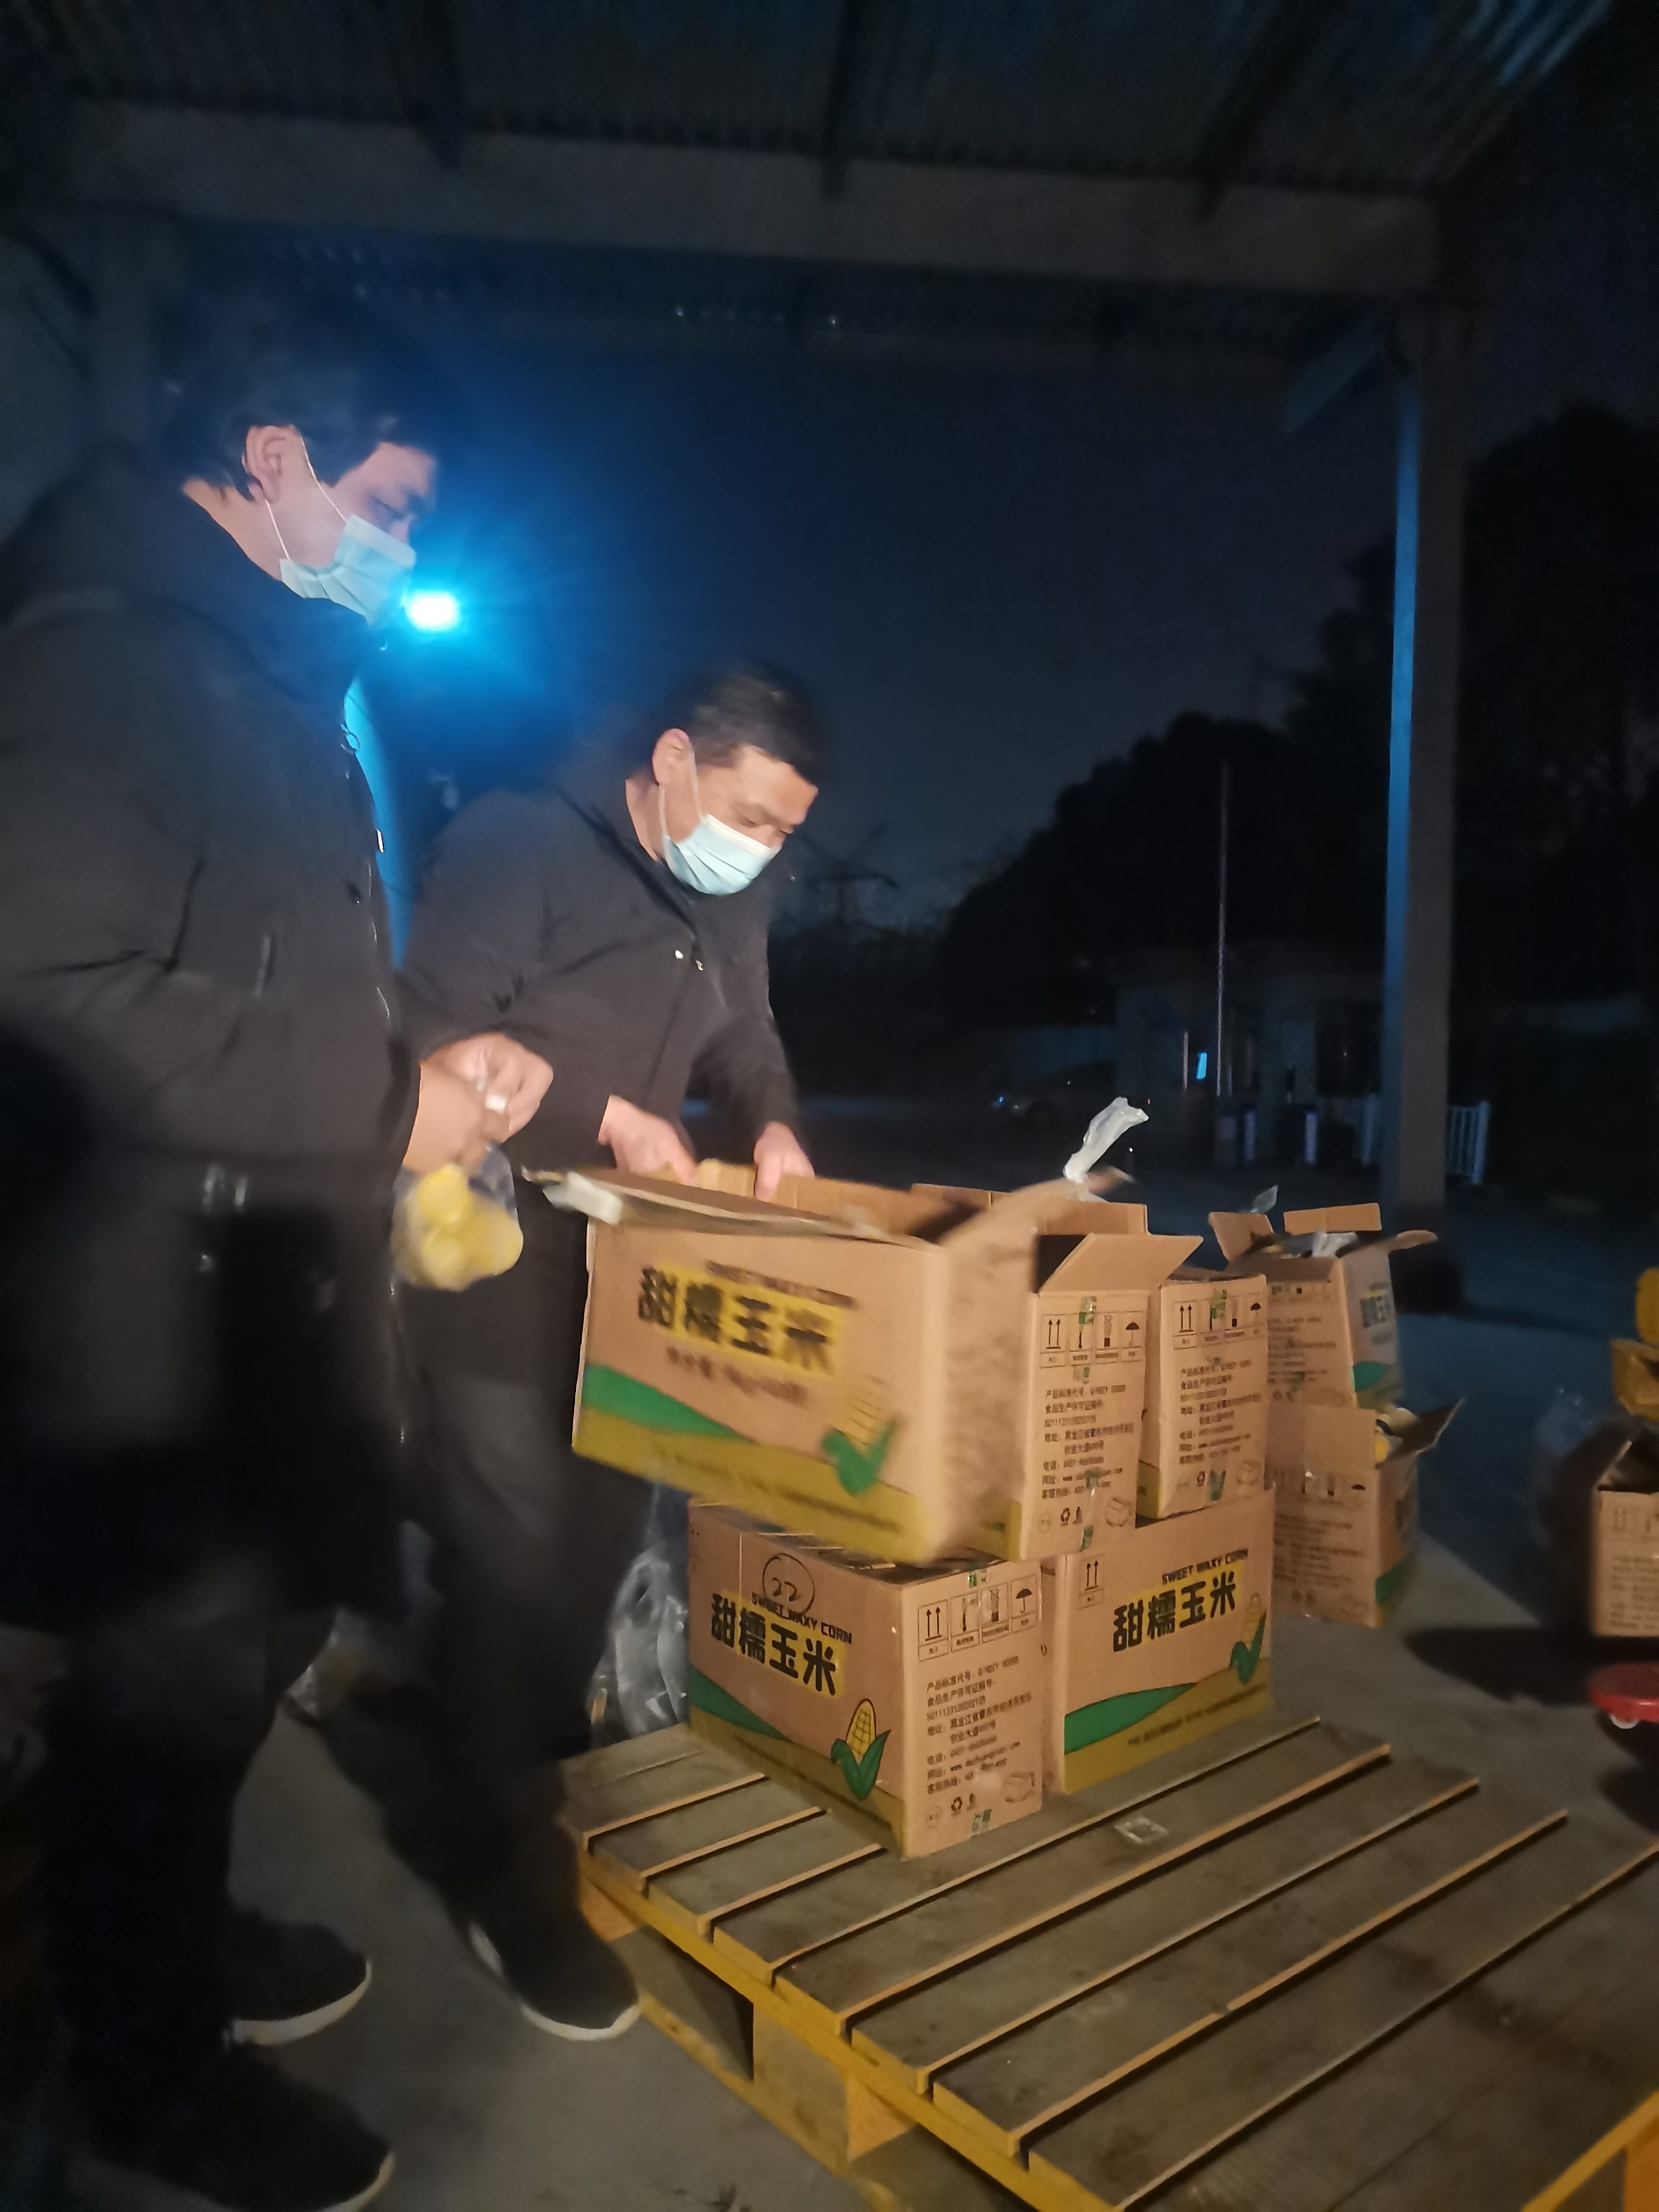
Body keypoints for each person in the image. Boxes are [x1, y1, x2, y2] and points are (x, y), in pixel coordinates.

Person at [0, 293, 544, 2212]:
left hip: (257, 1291)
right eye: (392, 501)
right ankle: (146, 2073)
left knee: (237, 1669)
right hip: (138, 1324)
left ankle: (176, 1931)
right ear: (274, 455)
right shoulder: (104, 653)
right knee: (159, 1697)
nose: (404, 543)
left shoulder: (259, 661)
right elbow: (50, 998)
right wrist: (393, 1108)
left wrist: (416, 1087)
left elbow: (263, 968)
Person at [398, 666, 821, 2037]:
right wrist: (605, 1113)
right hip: (493, 1244)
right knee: (516, 1546)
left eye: (786, 832)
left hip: (631, 1258)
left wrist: (772, 1123)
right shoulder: (519, 840)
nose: (762, 849)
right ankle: (504, 1866)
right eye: (751, 817)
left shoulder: (729, 892)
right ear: (675, 760)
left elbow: (746, 1030)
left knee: (592, 1536)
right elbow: (429, 1028)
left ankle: (503, 1758)